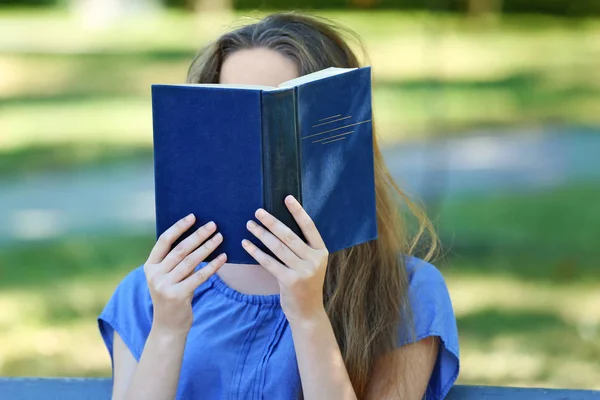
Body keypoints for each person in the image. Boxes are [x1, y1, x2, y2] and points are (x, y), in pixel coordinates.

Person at [98, 12, 459, 400]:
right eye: (234, 108)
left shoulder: (405, 293)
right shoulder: (149, 292)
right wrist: (168, 328)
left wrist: (308, 316)